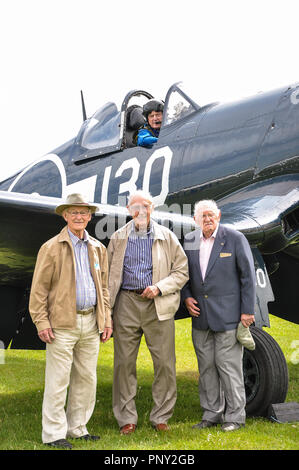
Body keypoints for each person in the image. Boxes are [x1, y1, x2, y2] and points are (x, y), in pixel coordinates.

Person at [29, 193, 113, 449]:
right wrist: (42, 322)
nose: (79, 217)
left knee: (87, 378)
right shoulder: (51, 247)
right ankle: (54, 434)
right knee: (58, 380)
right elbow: (38, 290)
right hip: (61, 324)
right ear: (65, 216)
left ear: (90, 216)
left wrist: (106, 319)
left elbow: (104, 289)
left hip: (91, 322)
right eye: (73, 212)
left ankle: (77, 427)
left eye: (83, 212)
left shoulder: (98, 247)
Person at [107, 190, 188, 434]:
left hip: (158, 306)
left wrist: (159, 288)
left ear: (152, 209)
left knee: (165, 363)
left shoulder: (168, 237)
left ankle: (161, 416)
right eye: (135, 207)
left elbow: (181, 272)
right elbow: (107, 276)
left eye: (145, 206)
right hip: (126, 304)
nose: (140, 211)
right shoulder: (117, 238)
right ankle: (126, 419)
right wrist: (106, 311)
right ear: (129, 211)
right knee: (123, 364)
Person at [182, 199, 255, 432]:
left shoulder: (235, 238)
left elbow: (247, 277)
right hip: (200, 317)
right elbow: (183, 274)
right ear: (195, 219)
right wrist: (185, 297)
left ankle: (235, 416)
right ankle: (211, 414)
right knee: (206, 368)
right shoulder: (190, 240)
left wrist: (247, 311)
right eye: (202, 215)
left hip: (229, 317)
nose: (207, 219)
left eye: (211, 215)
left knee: (229, 367)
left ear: (219, 215)